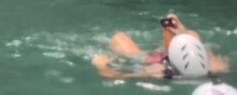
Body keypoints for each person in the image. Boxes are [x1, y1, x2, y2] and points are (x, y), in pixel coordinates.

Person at [92, 12, 229, 80]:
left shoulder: (157, 70)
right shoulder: (218, 66)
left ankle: (174, 37)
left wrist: (101, 65)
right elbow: (205, 51)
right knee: (192, 35)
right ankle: (179, 33)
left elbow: (119, 76)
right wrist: (184, 33)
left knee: (119, 38)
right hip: (180, 65)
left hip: (161, 65)